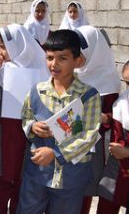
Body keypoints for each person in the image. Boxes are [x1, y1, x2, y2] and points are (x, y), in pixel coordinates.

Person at [17, 30, 102, 214]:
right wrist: (32, 126)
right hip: (37, 173)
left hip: (71, 177)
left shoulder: (89, 96)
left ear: (78, 61)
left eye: (62, 58)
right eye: (49, 58)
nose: (54, 64)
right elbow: (26, 117)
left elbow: (90, 135)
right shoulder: (37, 91)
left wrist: (56, 153)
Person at [0, 24, 50, 214]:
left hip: (26, 141)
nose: (1, 52)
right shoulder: (1, 71)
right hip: (2, 138)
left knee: (22, 188)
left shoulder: (41, 72)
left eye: (4, 46)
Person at [73, 26, 120, 213]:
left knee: (89, 188)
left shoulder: (108, 79)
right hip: (72, 141)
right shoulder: (73, 74)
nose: (76, 58)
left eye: (80, 53)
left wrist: (102, 117)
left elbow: (114, 117)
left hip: (97, 145)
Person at [97, 61, 129, 213]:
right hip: (117, 168)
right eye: (128, 82)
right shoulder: (121, 103)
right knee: (106, 202)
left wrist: (127, 152)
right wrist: (105, 118)